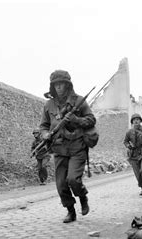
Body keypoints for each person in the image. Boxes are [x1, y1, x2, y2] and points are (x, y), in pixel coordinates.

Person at [39, 70, 96, 223]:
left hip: (77, 146)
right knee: (61, 184)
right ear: (52, 86)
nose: (59, 87)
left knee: (73, 180)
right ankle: (71, 211)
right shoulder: (49, 105)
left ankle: (82, 196)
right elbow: (43, 126)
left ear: (67, 85)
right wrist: (45, 134)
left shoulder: (79, 101)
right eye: (56, 84)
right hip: (59, 148)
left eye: (61, 84)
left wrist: (76, 119)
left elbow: (91, 120)